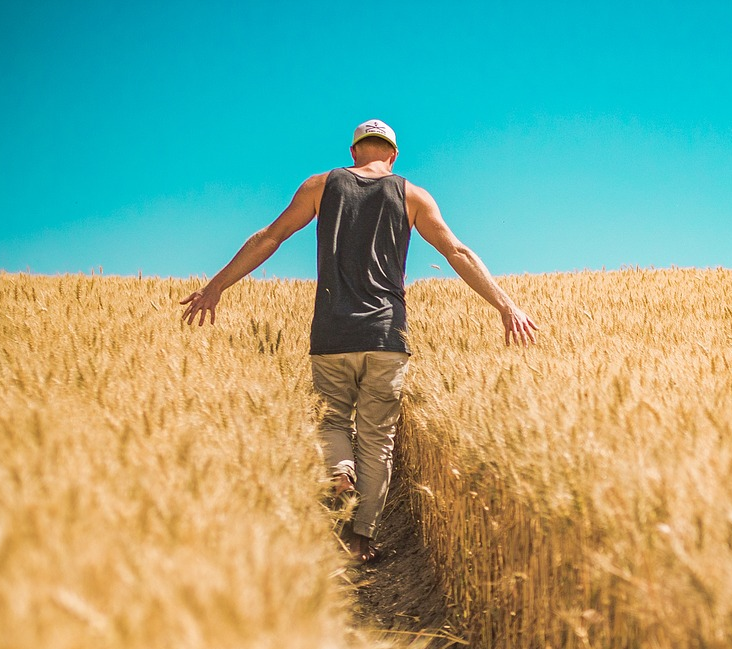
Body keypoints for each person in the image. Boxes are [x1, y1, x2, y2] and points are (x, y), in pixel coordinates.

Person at [179, 119, 537, 562]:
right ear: (393, 154)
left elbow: (269, 237)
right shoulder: (413, 195)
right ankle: (361, 538)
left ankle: (338, 470)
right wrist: (507, 306)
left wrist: (216, 285)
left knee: (332, 422)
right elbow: (456, 253)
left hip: (331, 332)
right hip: (387, 336)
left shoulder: (320, 185)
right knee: (378, 439)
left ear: (354, 153)